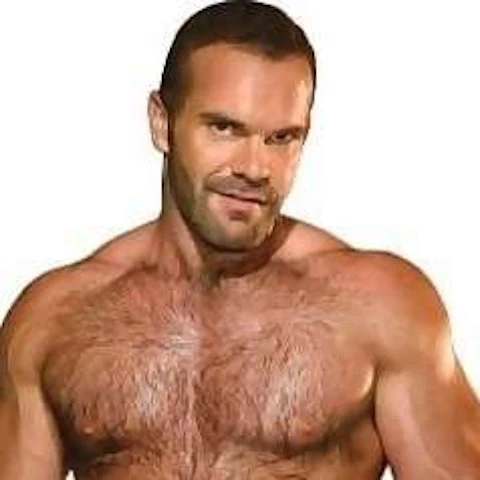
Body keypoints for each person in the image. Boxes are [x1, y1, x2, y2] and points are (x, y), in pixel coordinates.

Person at [1, 1, 479, 478]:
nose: (254, 168)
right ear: (162, 123)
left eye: (282, 138)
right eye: (225, 128)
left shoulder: (380, 306)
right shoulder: (55, 319)